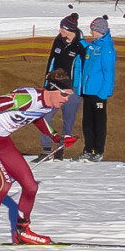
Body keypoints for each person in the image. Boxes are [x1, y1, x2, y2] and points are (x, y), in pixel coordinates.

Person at [0, 69, 79, 250]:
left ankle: (22, 231)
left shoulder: (48, 105)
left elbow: (38, 117)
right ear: (52, 89)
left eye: (69, 95)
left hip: (3, 141)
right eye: (64, 94)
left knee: (30, 186)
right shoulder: (25, 98)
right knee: (4, 184)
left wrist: (56, 137)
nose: (66, 99)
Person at [33, 13, 86, 163]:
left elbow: (85, 69)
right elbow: (51, 61)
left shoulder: (81, 46)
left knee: (68, 122)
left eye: (62, 29)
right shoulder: (58, 41)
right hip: (53, 88)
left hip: (72, 90)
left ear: (70, 30)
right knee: (45, 117)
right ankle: (46, 150)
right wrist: (47, 84)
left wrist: (79, 90)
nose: (60, 31)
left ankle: (60, 150)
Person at [73, 15, 116, 162]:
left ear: (100, 31)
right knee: (87, 123)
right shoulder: (93, 45)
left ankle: (98, 150)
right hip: (87, 91)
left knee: (99, 123)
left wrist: (103, 93)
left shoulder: (106, 48)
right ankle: (88, 149)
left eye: (93, 30)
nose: (91, 32)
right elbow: (85, 49)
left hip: (98, 93)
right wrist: (77, 38)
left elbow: (109, 73)